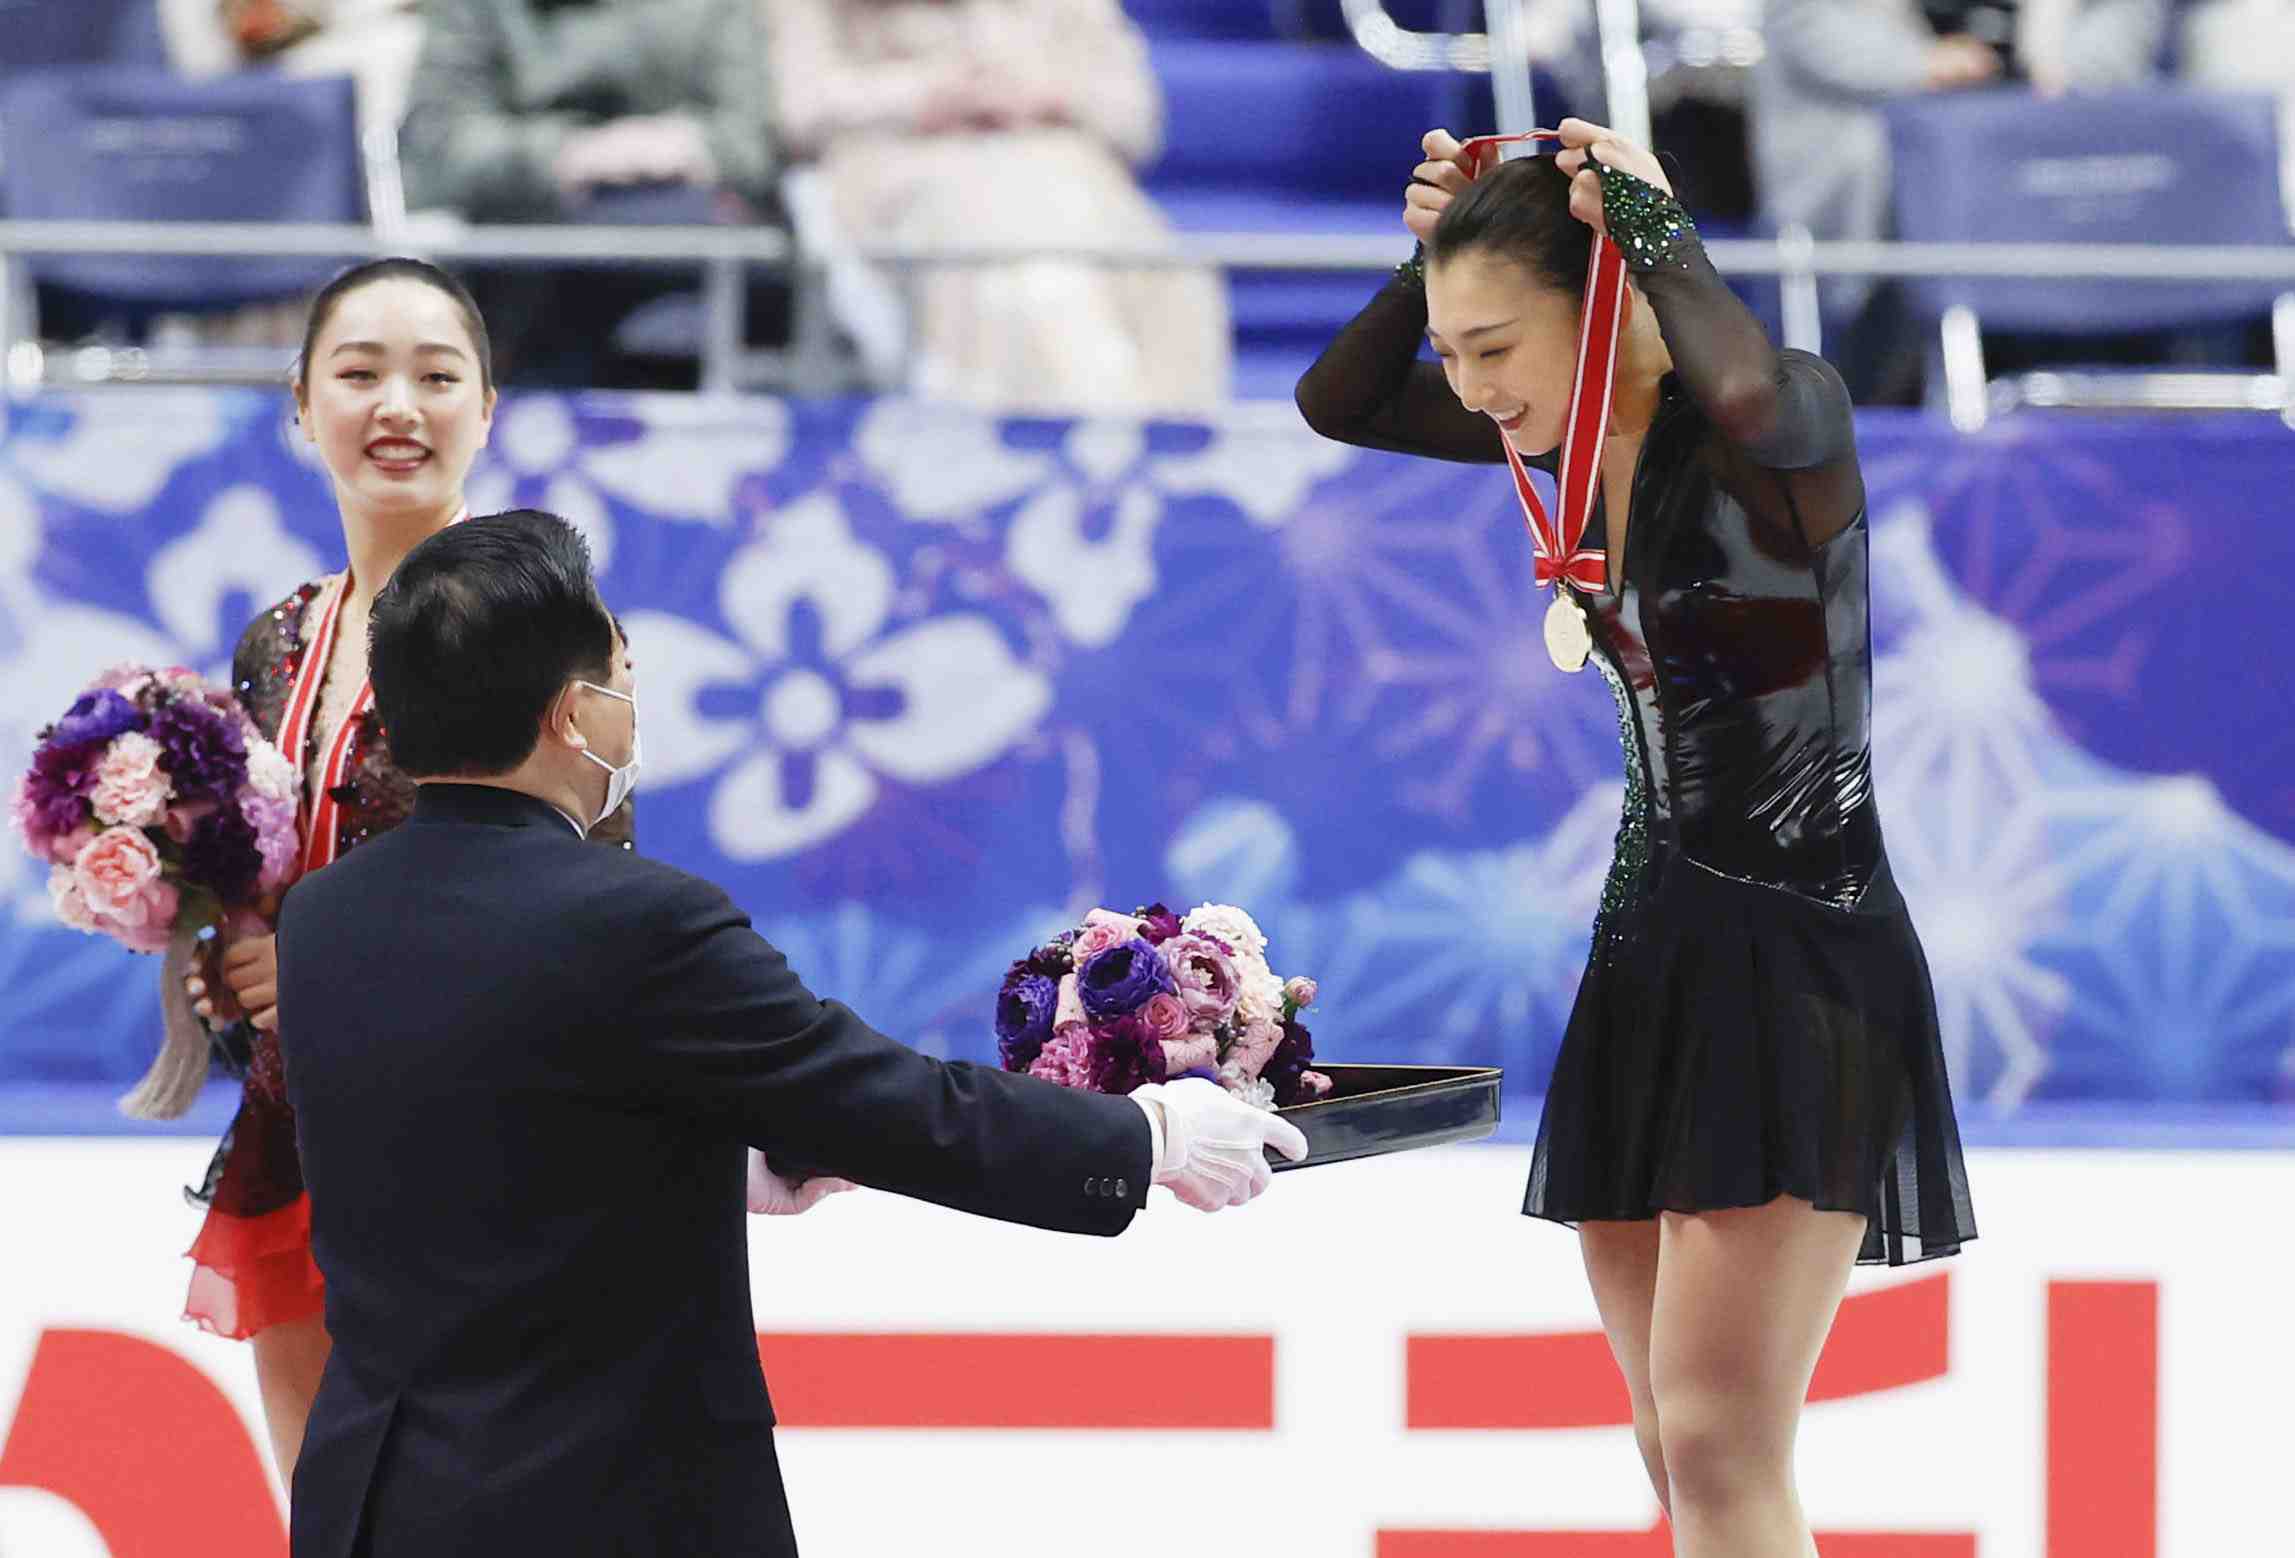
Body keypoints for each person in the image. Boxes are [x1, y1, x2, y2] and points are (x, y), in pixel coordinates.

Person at [274, 508, 1306, 1557]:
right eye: (624, 675)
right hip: (598, 1505)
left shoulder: (320, 920)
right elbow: (887, 1105)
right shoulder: (639, 920)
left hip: (377, 1509)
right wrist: (1148, 1141)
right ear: (574, 713)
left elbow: (475, 1143)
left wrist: (703, 1160)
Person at [1296, 123, 1976, 1555]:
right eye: (1455, 351)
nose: (1471, 392)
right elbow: (1337, 399)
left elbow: (1733, 377)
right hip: (1648, 949)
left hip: (1798, 956)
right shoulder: (1554, 430)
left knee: (1727, 1436)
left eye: (1494, 347)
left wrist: (1656, 228)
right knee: (1674, 1442)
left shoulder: (1775, 429)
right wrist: (1423, 253)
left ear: (1603, 297)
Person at [172, 257, 610, 1485]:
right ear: (302, 406)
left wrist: (309, 962)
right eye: (359, 373)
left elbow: (583, 901)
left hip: (482, 1142)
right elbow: (265, 871)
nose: (398, 406)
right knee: (328, 1510)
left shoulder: (556, 632)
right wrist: (226, 960)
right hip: (301, 1135)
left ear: (489, 407)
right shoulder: (280, 634)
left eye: (437, 374)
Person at [764, 0, 1230, 414]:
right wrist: (922, 95)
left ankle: (1175, 477)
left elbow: (1136, 118)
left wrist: (1048, 96)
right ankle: (1079, 461)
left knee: (1179, 280)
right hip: (915, 169)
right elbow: (794, 110)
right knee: (1032, 277)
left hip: (1068, 172)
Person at [397, 0, 781, 386]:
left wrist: (683, 145)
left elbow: (751, 143)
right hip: (528, 249)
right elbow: (436, 145)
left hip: (690, 240)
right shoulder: (480, 10)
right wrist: (566, 154)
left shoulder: (716, 9)